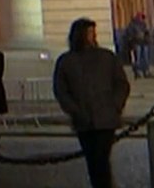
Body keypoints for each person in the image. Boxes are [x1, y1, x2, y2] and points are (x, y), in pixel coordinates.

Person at [54, 17, 130, 188]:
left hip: (106, 118)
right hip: (84, 119)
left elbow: (121, 83)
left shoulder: (107, 57)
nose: (93, 36)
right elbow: (61, 90)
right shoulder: (66, 61)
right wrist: (74, 110)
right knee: (93, 162)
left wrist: (116, 105)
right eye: (89, 33)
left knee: (101, 159)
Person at [125, 13, 152, 78]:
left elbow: (147, 33)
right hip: (136, 43)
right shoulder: (132, 25)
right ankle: (137, 72)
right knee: (138, 58)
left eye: (142, 18)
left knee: (145, 58)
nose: (142, 19)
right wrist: (134, 38)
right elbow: (129, 35)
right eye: (141, 17)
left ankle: (146, 71)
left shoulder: (143, 25)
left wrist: (147, 38)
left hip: (144, 43)